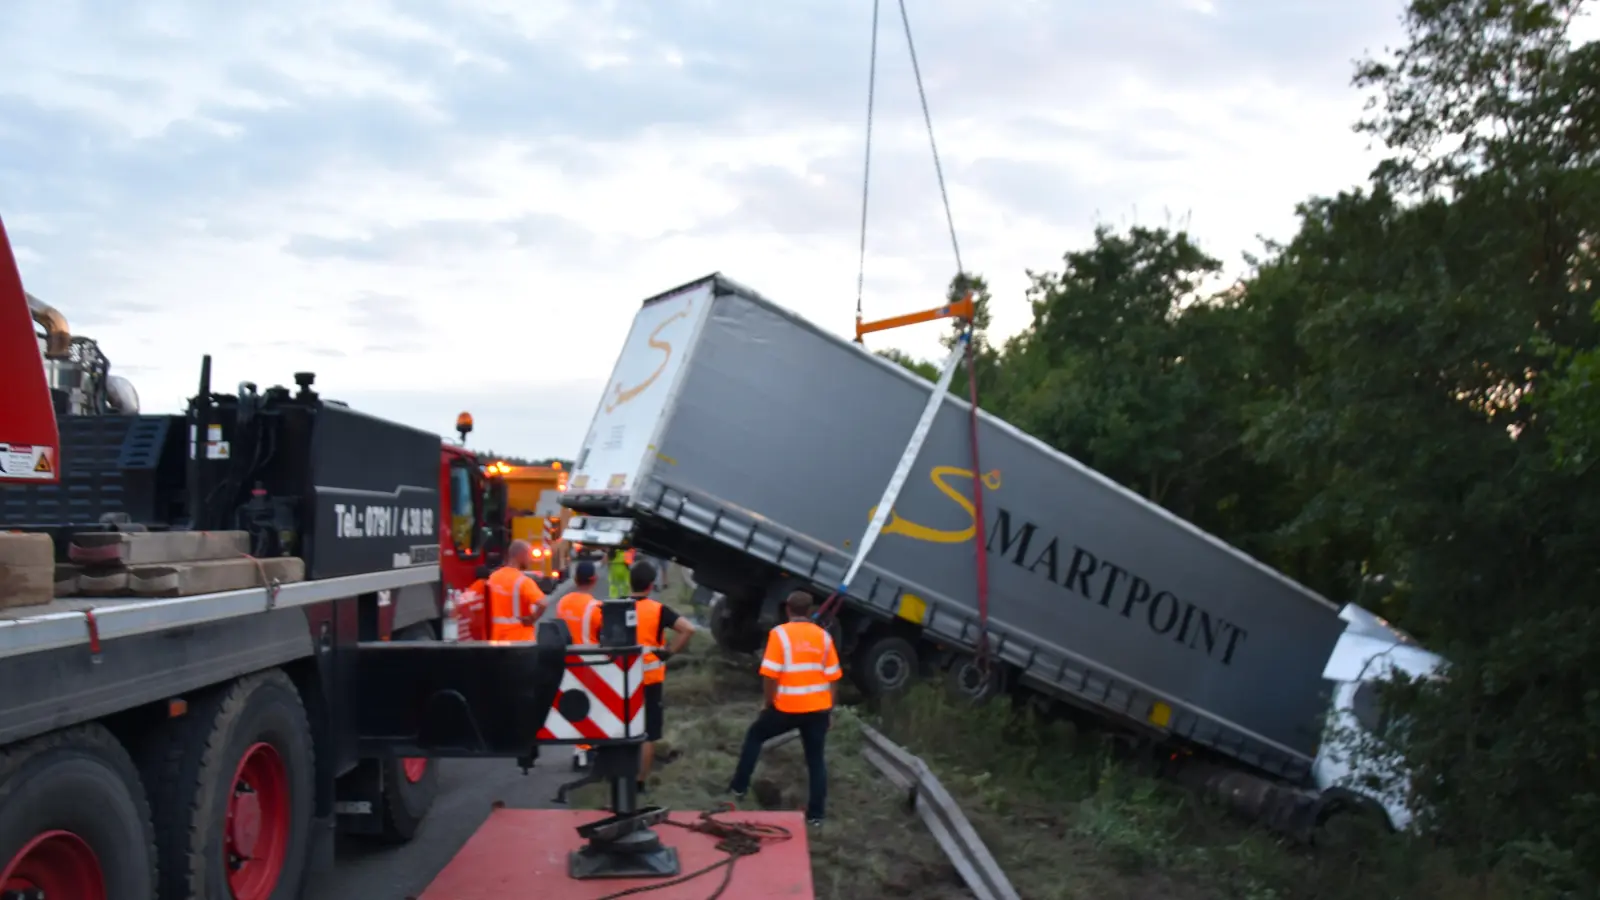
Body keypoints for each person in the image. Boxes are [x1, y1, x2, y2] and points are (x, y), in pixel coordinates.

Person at [727, 591, 840, 827]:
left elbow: (769, 675)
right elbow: (833, 678)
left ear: (787, 609)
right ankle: (816, 816)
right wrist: (829, 710)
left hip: (786, 708)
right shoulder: (824, 637)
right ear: (809, 611)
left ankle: (738, 788)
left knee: (755, 736)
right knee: (816, 760)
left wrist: (768, 704)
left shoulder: (779, 635)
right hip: (817, 710)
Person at [629, 560, 696, 793]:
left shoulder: (615, 608)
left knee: (622, 727)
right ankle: (639, 782)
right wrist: (669, 652)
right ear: (650, 585)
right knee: (647, 733)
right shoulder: (658, 610)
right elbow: (688, 629)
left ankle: (618, 775)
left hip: (619, 680)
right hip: (650, 681)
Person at [555, 561, 604, 768]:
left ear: (575, 580)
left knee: (575, 707)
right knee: (589, 710)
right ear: (594, 580)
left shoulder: (562, 603)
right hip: (589, 663)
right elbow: (603, 634)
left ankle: (580, 750)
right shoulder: (596, 608)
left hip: (567, 662)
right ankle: (585, 752)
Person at [485, 540, 549, 642]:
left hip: (495, 638)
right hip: (519, 640)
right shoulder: (523, 581)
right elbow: (543, 603)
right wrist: (532, 618)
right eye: (528, 555)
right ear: (521, 555)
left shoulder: (493, 577)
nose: (530, 560)